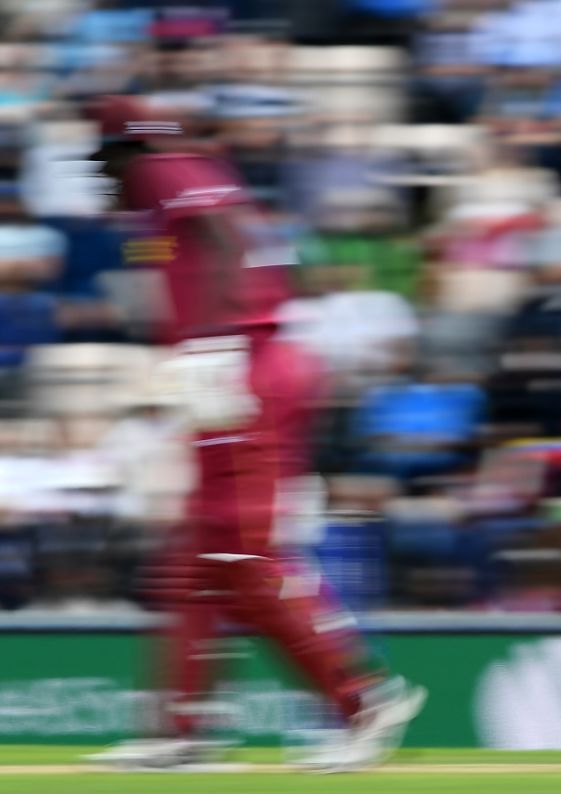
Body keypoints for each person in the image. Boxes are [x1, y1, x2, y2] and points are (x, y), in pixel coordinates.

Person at [82, 95, 424, 772]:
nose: (103, 178)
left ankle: (364, 700)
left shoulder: (163, 168)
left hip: (247, 369)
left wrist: (212, 345)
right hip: (246, 366)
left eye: (106, 161)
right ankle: (182, 731)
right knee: (198, 561)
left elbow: (225, 237)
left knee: (242, 555)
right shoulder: (182, 174)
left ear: (131, 148)